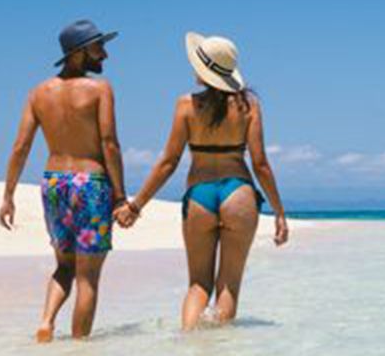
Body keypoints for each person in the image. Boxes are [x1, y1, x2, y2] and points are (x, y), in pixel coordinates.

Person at [116, 32, 289, 331]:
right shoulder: (249, 106)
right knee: (229, 287)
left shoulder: (185, 105)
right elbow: (260, 164)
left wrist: (136, 206)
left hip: (199, 196)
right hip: (239, 193)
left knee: (198, 284)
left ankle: (189, 345)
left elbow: (168, 163)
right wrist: (279, 212)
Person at [0, 19, 132, 342]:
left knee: (64, 267)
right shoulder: (100, 89)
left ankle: (46, 322)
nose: (105, 56)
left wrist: (8, 195)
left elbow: (21, 146)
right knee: (88, 278)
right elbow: (109, 143)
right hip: (92, 185)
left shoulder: (38, 93)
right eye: (98, 48)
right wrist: (120, 197)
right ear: (79, 53)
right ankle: (78, 347)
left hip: (54, 184)